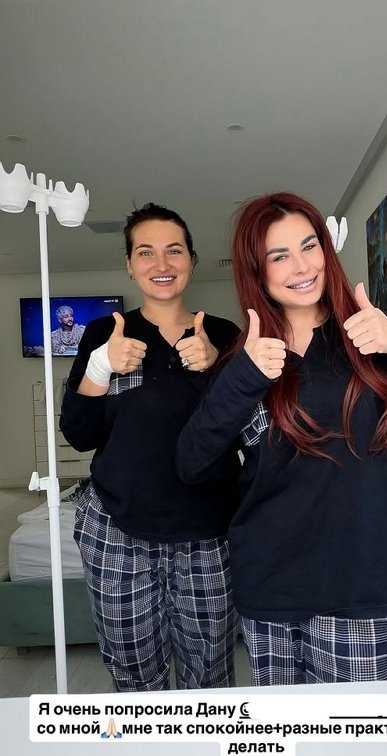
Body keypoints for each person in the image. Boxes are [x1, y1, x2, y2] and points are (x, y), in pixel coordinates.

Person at [176, 191, 387, 686]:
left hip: (361, 589)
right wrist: (243, 377)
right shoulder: (242, 362)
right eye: (279, 256)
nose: (302, 266)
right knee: (287, 735)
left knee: (359, 734)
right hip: (269, 591)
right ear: (256, 272)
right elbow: (191, 462)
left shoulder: (369, 338)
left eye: (310, 246)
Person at [60, 202, 241, 692]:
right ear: (129, 264)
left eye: (173, 251)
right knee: (135, 679)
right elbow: (79, 434)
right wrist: (101, 368)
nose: (161, 264)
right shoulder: (104, 333)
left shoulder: (225, 335)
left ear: (191, 260)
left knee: (210, 677)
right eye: (146, 252)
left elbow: (245, 431)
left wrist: (216, 370)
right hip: (117, 532)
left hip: (207, 534)